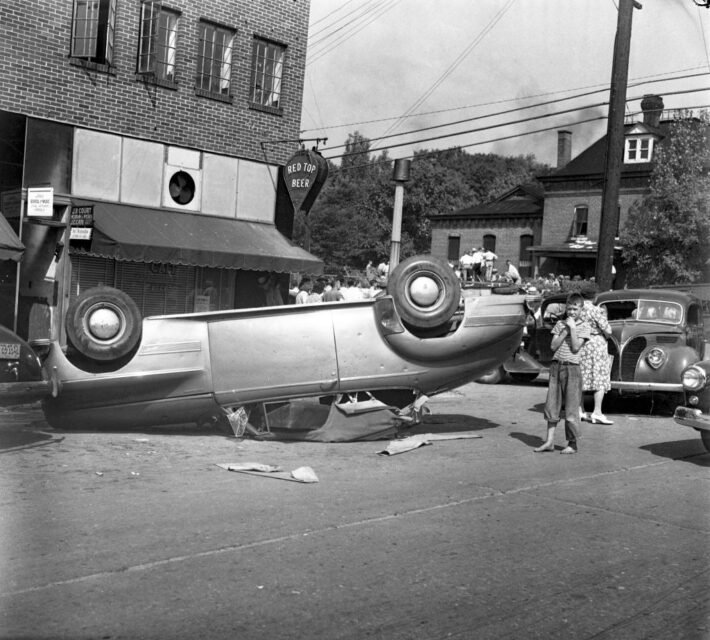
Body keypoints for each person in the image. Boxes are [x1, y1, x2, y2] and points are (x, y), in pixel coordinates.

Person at [534, 292, 590, 454]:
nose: (572, 312)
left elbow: (575, 347)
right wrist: (565, 330)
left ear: (581, 309)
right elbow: (553, 346)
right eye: (570, 309)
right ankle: (550, 441)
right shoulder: (560, 324)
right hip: (556, 366)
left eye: (575, 309)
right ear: (566, 308)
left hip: (572, 369)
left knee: (571, 408)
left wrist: (572, 328)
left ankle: (572, 444)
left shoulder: (585, 326)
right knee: (552, 404)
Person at [579, 293, 613, 425]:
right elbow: (608, 330)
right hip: (597, 344)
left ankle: (580, 409)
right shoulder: (596, 310)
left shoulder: (578, 310)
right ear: (594, 297)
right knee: (599, 377)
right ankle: (597, 412)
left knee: (582, 375)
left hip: (582, 343)